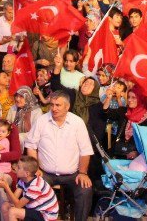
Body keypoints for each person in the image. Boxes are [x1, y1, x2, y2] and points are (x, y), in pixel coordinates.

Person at [24, 89, 94, 221]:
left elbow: (85, 151)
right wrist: (36, 169)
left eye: (58, 105)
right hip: (45, 173)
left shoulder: (77, 122)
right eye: (52, 105)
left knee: (85, 190)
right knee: (33, 186)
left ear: (67, 107)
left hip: (72, 174)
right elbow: (31, 147)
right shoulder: (41, 121)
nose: (54, 108)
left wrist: (83, 173)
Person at [0, 154, 59, 221]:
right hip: (36, 211)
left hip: (46, 215)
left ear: (27, 173)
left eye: (19, 167)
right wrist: (6, 187)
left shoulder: (35, 186)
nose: (15, 168)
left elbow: (18, 205)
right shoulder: (23, 180)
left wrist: (6, 187)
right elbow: (12, 200)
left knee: (13, 211)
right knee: (5, 206)